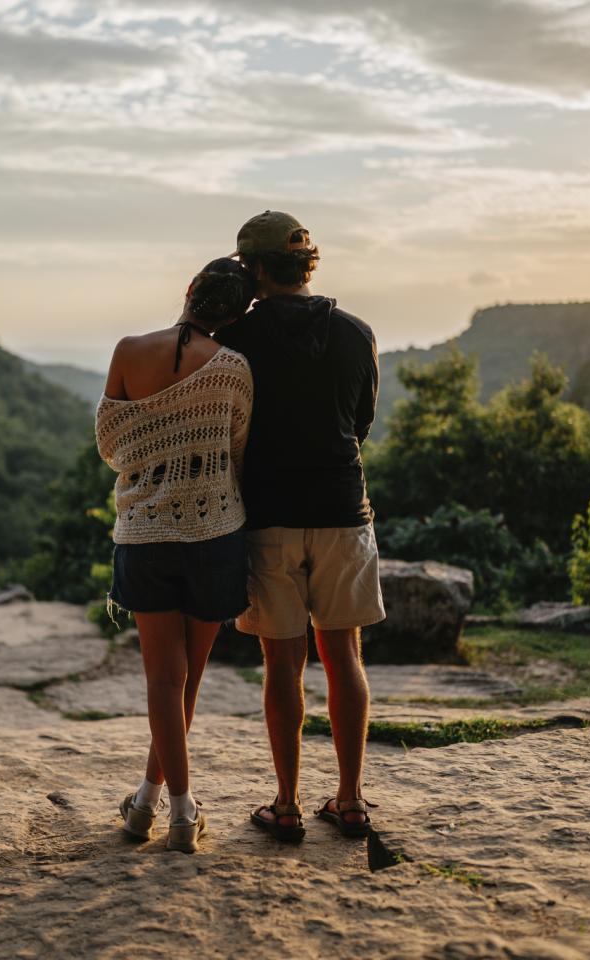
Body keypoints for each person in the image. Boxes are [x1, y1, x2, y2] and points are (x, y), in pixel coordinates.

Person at [215, 211, 384, 842]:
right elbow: (360, 422)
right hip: (342, 508)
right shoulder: (356, 332)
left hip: (269, 516)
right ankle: (350, 800)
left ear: (254, 269)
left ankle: (285, 804)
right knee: (344, 656)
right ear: (308, 263)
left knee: (282, 664)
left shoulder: (236, 341)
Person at [95, 257, 256, 854]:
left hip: (145, 533)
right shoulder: (235, 369)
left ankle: (161, 806)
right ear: (237, 315)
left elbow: (112, 448)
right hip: (216, 533)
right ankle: (166, 808)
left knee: (164, 679)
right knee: (187, 679)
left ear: (189, 291)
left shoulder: (128, 350)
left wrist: (155, 446)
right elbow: (236, 451)